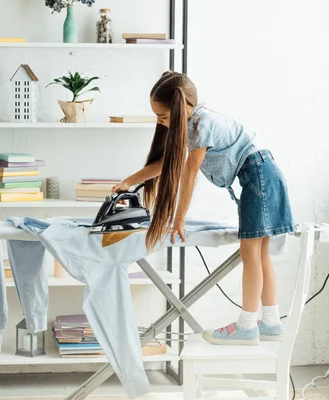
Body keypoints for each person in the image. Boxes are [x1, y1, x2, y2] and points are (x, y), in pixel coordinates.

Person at [112, 71, 295, 346]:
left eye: (162, 117)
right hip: (263, 174)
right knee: (260, 253)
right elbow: (165, 164)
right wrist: (129, 182)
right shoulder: (193, 123)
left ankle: (247, 325)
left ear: (182, 107)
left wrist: (178, 219)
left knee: (251, 253)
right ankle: (270, 322)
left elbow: (188, 174)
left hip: (258, 175)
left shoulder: (201, 125)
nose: (159, 123)